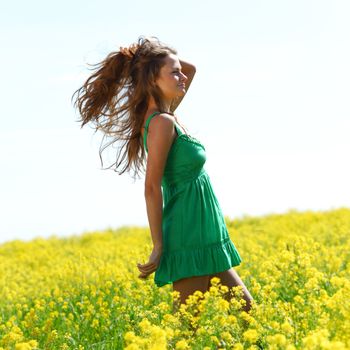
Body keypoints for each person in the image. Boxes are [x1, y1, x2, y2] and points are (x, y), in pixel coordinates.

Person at [72, 36, 254, 310]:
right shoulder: (161, 123)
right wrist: (158, 245)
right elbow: (151, 187)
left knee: (247, 312)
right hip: (188, 232)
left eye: (178, 70)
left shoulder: (167, 114)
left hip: (204, 232)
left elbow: (191, 70)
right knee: (186, 327)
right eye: (173, 72)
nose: (182, 76)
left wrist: (150, 57)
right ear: (152, 81)